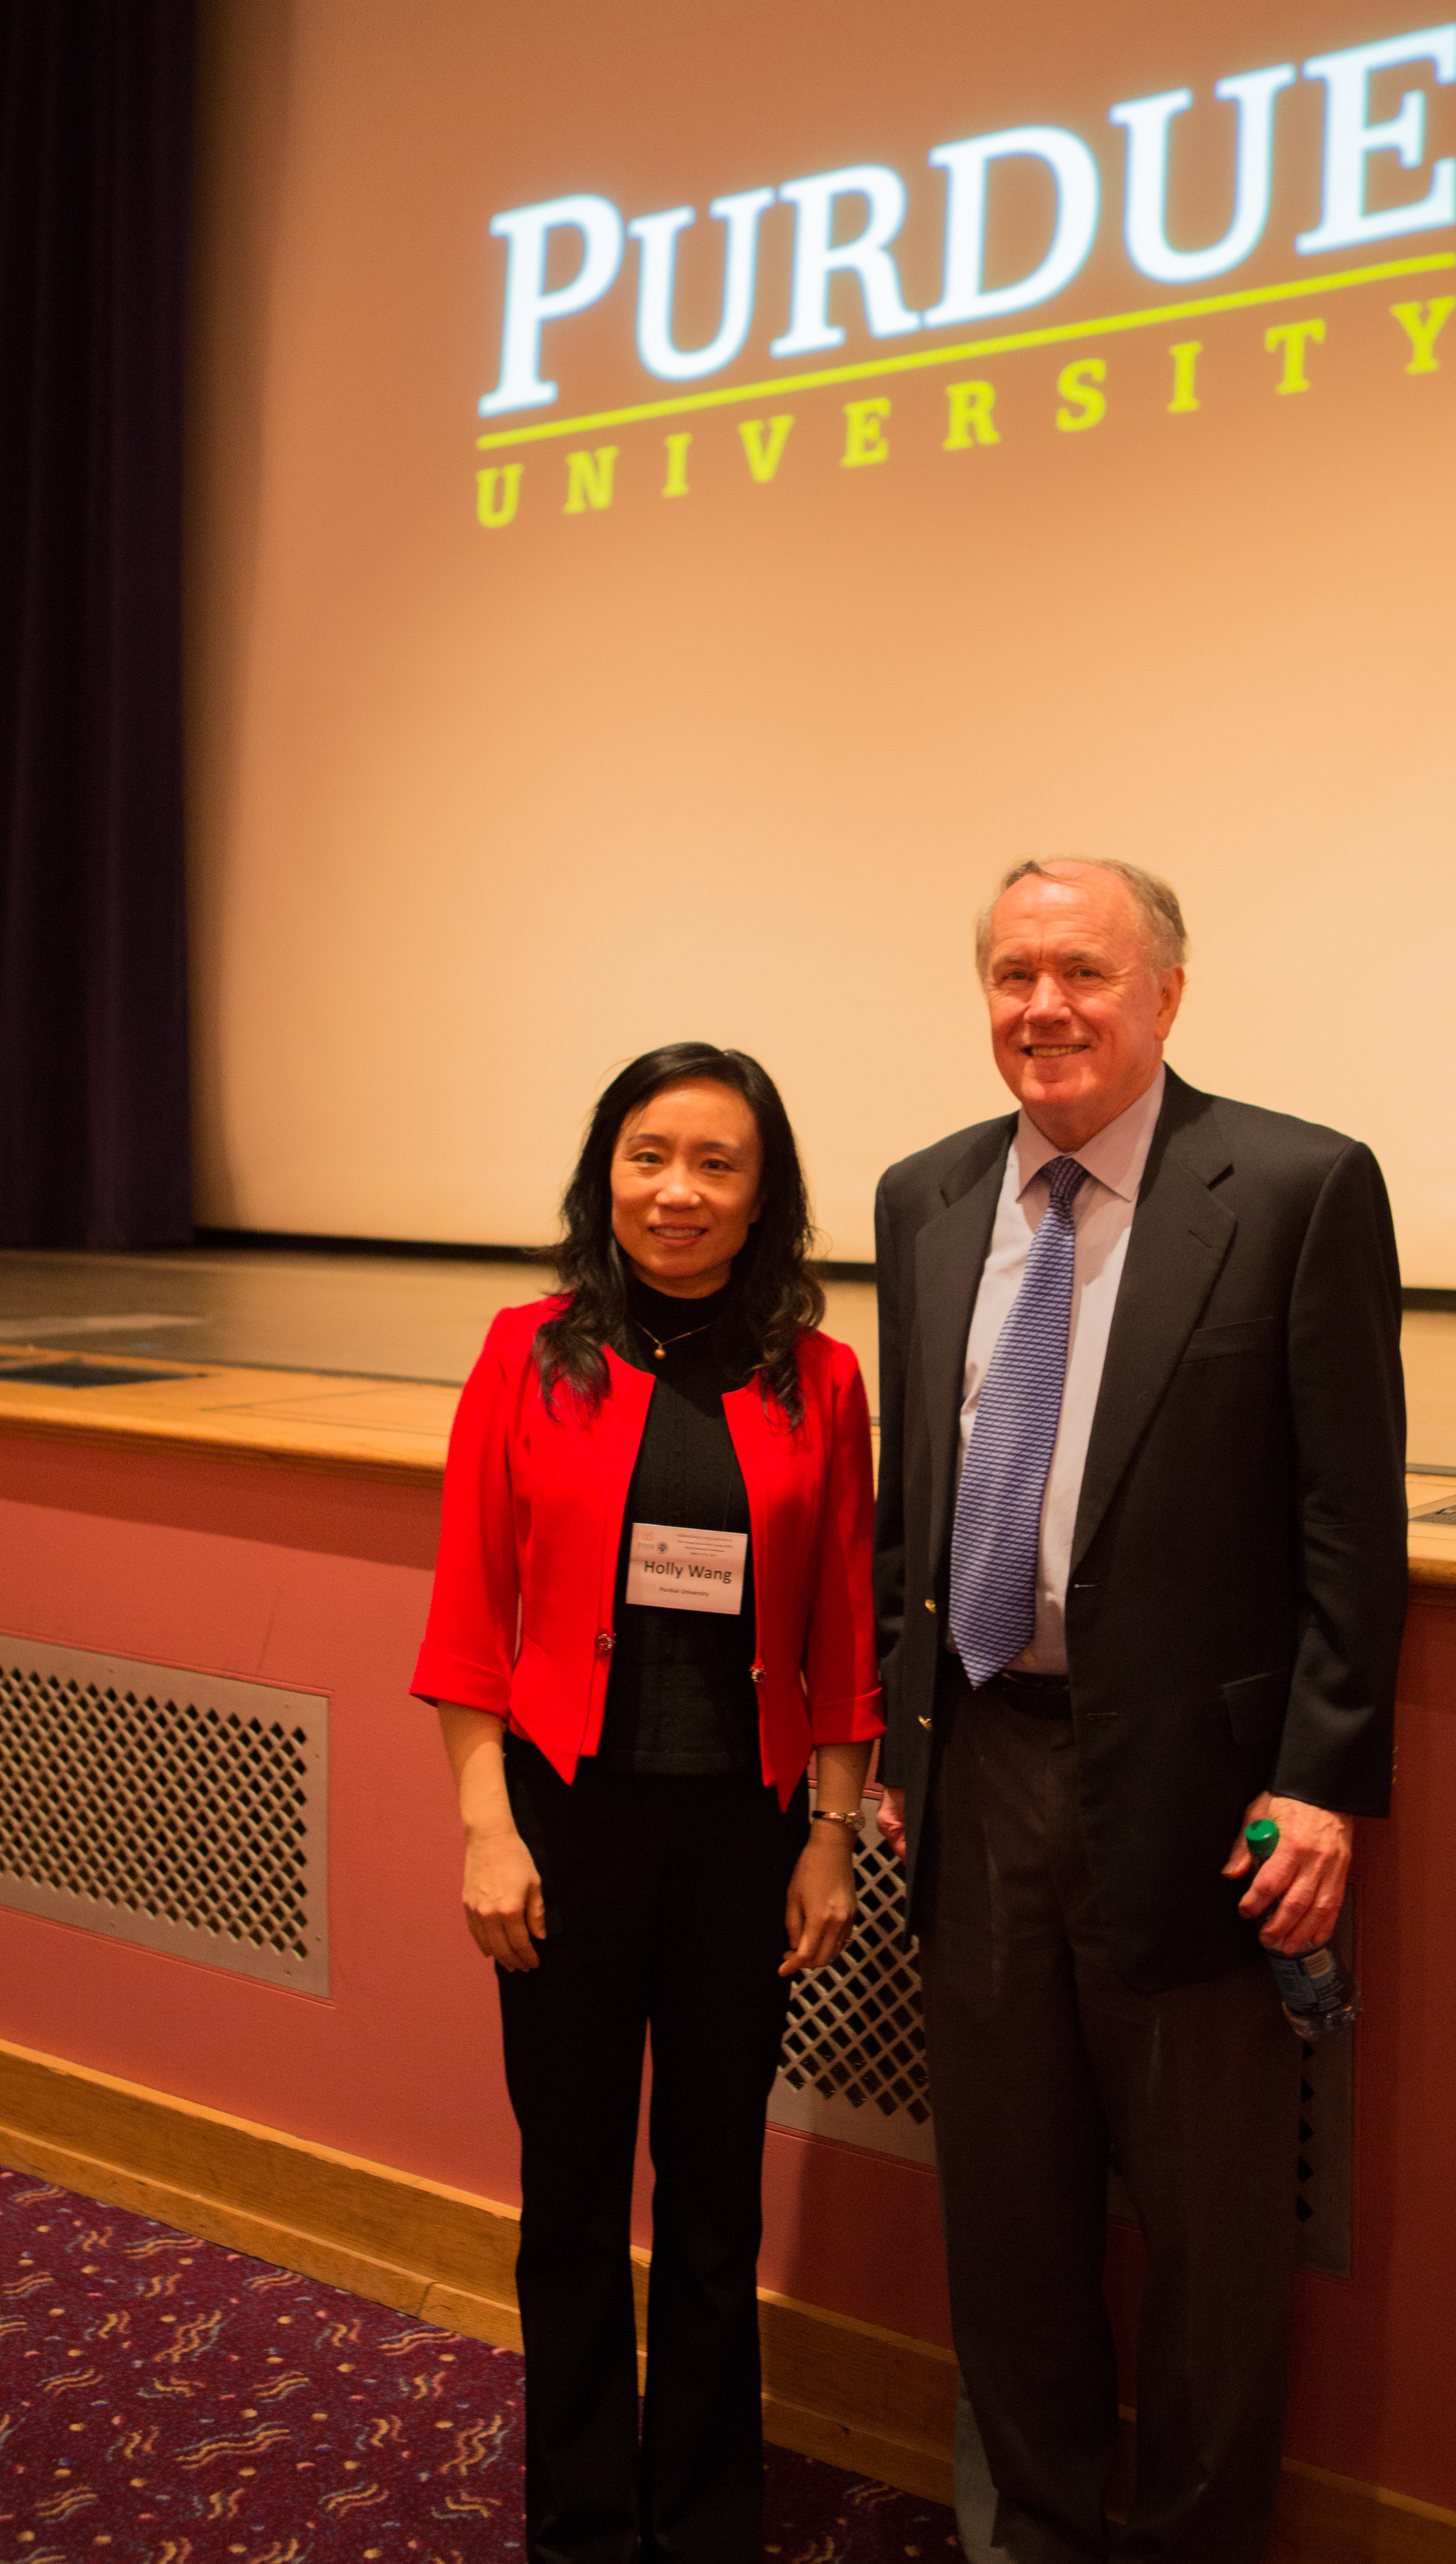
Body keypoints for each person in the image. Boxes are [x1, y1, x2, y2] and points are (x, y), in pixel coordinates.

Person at [873, 860, 1407, 2564]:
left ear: (1166, 992)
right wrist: (898, 1750)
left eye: (1084, 972)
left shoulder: (1298, 1187)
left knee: (1211, 2236)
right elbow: (913, 1506)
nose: (1046, 1006)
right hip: (981, 1776)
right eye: (1015, 973)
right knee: (1006, 2219)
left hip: (1203, 1796)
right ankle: (1024, 2531)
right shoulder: (925, 1195)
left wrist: (1321, 1782)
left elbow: (1349, 1516)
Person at [412, 1043, 883, 2564]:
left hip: (740, 1839)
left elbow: (840, 1627)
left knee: (710, 2208)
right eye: (646, 1155)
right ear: (603, 1172)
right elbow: (469, 1619)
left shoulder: (819, 1379)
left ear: (766, 1197)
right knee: (566, 2207)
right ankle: (581, 2522)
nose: (676, 1190)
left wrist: (827, 1836)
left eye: (717, 1164)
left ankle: (704, 2523)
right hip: (567, 1830)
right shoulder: (524, 1351)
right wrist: (488, 1823)